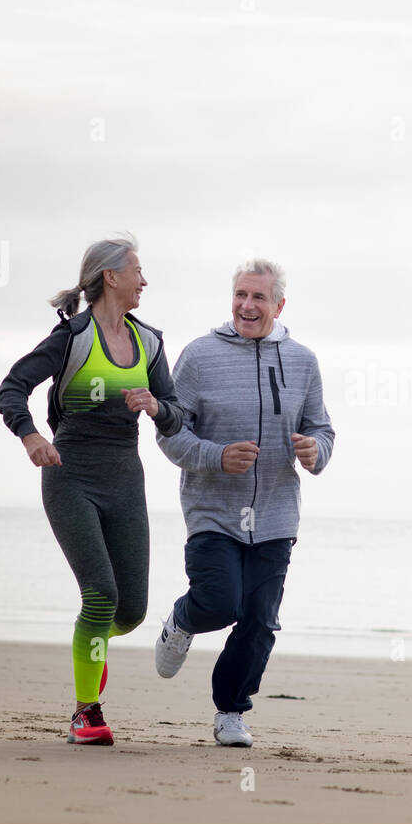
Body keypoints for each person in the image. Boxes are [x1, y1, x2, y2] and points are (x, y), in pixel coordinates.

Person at [0, 233, 184, 746]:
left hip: (125, 477)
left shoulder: (151, 342)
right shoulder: (71, 337)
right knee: (100, 595)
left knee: (131, 611)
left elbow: (176, 415)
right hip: (69, 472)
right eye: (138, 271)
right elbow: (11, 387)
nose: (145, 281)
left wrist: (157, 407)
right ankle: (86, 712)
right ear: (111, 277)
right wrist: (30, 435)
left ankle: (90, 642)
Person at [154, 258, 335, 746]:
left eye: (258, 297)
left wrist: (316, 451)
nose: (246, 305)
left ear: (279, 305)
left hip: (276, 514)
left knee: (259, 621)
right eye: (240, 295)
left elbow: (322, 429)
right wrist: (216, 457)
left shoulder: (303, 361)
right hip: (213, 510)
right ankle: (181, 621)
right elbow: (170, 434)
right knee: (219, 602)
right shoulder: (198, 357)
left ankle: (231, 712)